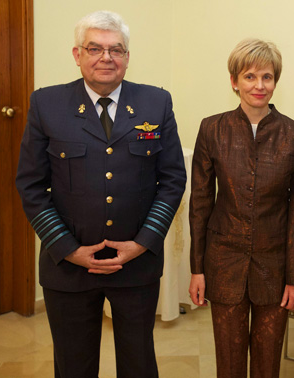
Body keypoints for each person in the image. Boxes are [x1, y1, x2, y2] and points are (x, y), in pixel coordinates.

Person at [15, 11, 186, 378]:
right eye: (95, 48)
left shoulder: (156, 103)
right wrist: (69, 250)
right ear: (78, 54)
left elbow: (171, 180)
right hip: (69, 270)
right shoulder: (47, 104)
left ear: (127, 56)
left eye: (116, 50)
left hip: (135, 267)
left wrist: (141, 244)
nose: (106, 57)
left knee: (139, 364)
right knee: (74, 367)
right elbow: (31, 185)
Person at [188, 38, 294, 378]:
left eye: (267, 77)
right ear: (234, 81)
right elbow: (200, 203)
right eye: (250, 76)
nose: (259, 85)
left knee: (268, 362)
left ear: (276, 81)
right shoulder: (212, 129)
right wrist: (196, 269)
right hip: (223, 262)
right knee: (228, 361)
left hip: (276, 267)